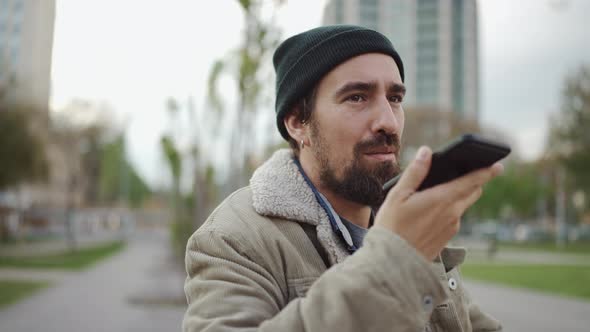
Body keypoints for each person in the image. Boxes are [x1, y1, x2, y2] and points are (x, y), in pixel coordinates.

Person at [183, 25, 503, 332]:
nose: (388, 122)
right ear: (297, 123)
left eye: (395, 98)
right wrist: (395, 263)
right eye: (357, 97)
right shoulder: (234, 238)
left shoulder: (405, 220)